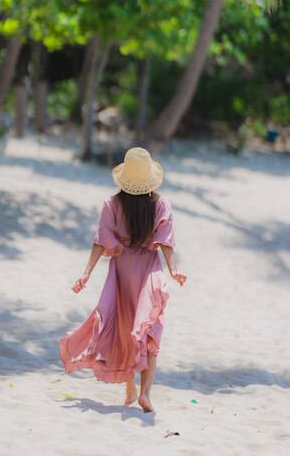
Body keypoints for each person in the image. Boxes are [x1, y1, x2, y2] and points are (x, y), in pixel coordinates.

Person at [59, 147, 187, 413]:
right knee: (149, 330)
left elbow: (100, 242)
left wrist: (86, 272)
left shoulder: (111, 204)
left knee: (123, 328)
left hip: (121, 272)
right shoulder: (161, 204)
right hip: (147, 271)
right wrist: (173, 270)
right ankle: (145, 393)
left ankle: (130, 388)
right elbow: (165, 244)